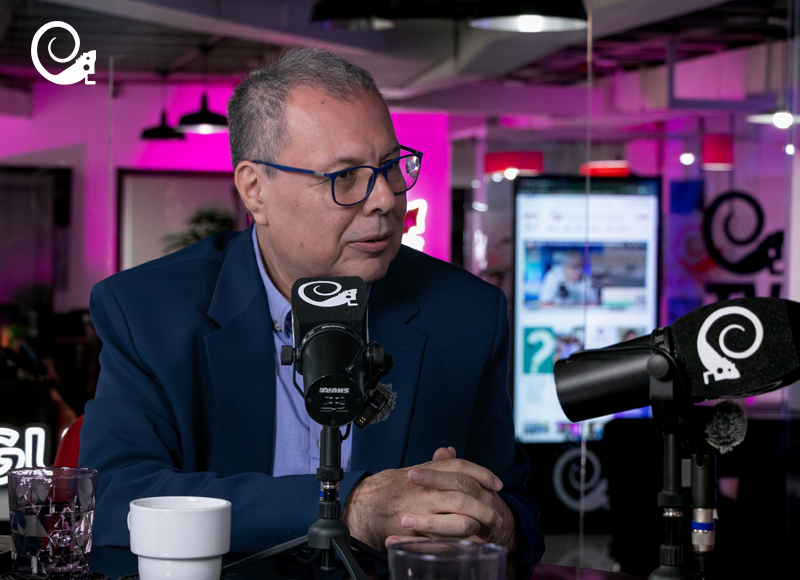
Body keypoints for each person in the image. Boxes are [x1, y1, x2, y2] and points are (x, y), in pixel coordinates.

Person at [80, 48, 543, 564]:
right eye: (344, 177)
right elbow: (115, 496)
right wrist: (349, 508)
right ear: (255, 190)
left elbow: (518, 513)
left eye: (391, 167)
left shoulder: (466, 314)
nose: (385, 199)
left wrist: (491, 523)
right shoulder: (147, 311)